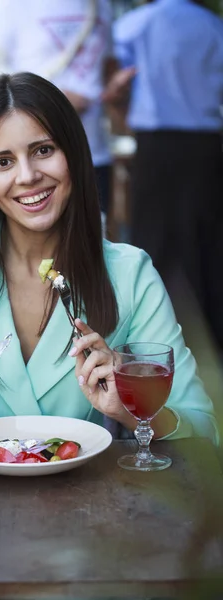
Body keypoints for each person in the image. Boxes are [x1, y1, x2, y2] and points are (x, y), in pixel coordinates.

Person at [0, 72, 218, 448]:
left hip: (79, 500)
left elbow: (203, 429)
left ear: (74, 154)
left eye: (43, 150)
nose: (28, 176)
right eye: (2, 162)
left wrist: (129, 409)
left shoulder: (129, 273)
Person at [109, 0, 223, 353]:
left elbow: (113, 76)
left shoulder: (136, 23)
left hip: (155, 147)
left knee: (150, 244)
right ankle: (215, 340)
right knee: (208, 244)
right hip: (206, 146)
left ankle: (144, 345)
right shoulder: (212, 24)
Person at [0, 0, 115, 219]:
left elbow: (106, 65)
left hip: (95, 153)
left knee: (92, 243)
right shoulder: (10, 5)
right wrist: (54, 102)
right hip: (31, 160)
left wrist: (115, 90)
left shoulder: (101, 4)